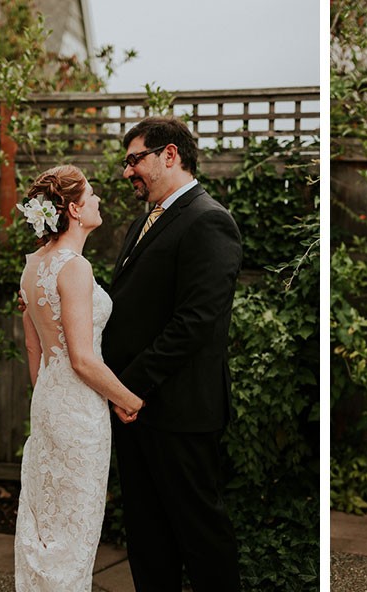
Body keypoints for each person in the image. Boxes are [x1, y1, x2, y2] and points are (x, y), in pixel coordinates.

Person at [102, 117, 242, 591]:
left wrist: (130, 388)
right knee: (146, 535)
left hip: (179, 410)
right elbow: (132, 307)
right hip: (135, 410)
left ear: (169, 155)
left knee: (200, 535)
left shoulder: (209, 220)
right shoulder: (145, 221)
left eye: (133, 160)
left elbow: (196, 322)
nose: (127, 173)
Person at [14, 165, 145, 591]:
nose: (98, 200)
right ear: (73, 208)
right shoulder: (75, 268)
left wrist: (47, 397)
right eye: (92, 195)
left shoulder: (33, 265)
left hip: (49, 401)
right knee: (75, 527)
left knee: (47, 521)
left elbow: (35, 348)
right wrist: (129, 399)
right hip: (79, 412)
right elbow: (83, 360)